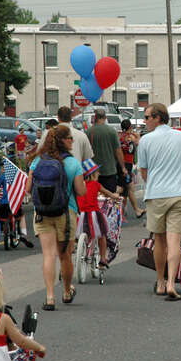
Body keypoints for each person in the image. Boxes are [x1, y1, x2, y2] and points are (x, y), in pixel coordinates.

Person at [138, 103, 181, 301]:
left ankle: (160, 281)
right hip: (180, 194)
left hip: (157, 195)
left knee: (159, 240)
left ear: (158, 118)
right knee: (174, 241)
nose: (145, 121)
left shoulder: (146, 141)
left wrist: (153, 184)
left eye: (147, 117)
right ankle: (172, 283)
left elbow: (143, 171)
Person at [26, 124, 86, 310]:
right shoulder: (73, 163)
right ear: (62, 141)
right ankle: (67, 291)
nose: (72, 141)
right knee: (65, 255)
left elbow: (28, 189)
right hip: (66, 212)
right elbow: (80, 191)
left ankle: (50, 296)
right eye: (69, 138)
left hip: (42, 212)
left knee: (48, 255)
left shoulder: (38, 161)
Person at [76, 159, 121, 267]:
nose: (99, 173)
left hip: (81, 215)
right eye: (97, 171)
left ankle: (79, 248)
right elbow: (109, 194)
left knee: (80, 233)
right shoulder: (96, 185)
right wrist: (115, 196)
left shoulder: (79, 185)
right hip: (94, 215)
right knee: (102, 235)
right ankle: (103, 258)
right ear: (93, 174)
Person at [87, 108, 127, 202]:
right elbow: (118, 151)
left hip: (94, 172)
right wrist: (123, 167)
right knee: (110, 199)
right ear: (105, 117)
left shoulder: (89, 131)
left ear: (95, 117)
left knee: (95, 198)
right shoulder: (111, 131)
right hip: (109, 171)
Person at [120, 119, 146, 218]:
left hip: (124, 163)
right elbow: (139, 142)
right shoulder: (130, 137)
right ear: (130, 127)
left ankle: (136, 210)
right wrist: (137, 135)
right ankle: (123, 211)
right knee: (125, 189)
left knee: (129, 188)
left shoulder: (121, 136)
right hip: (127, 164)